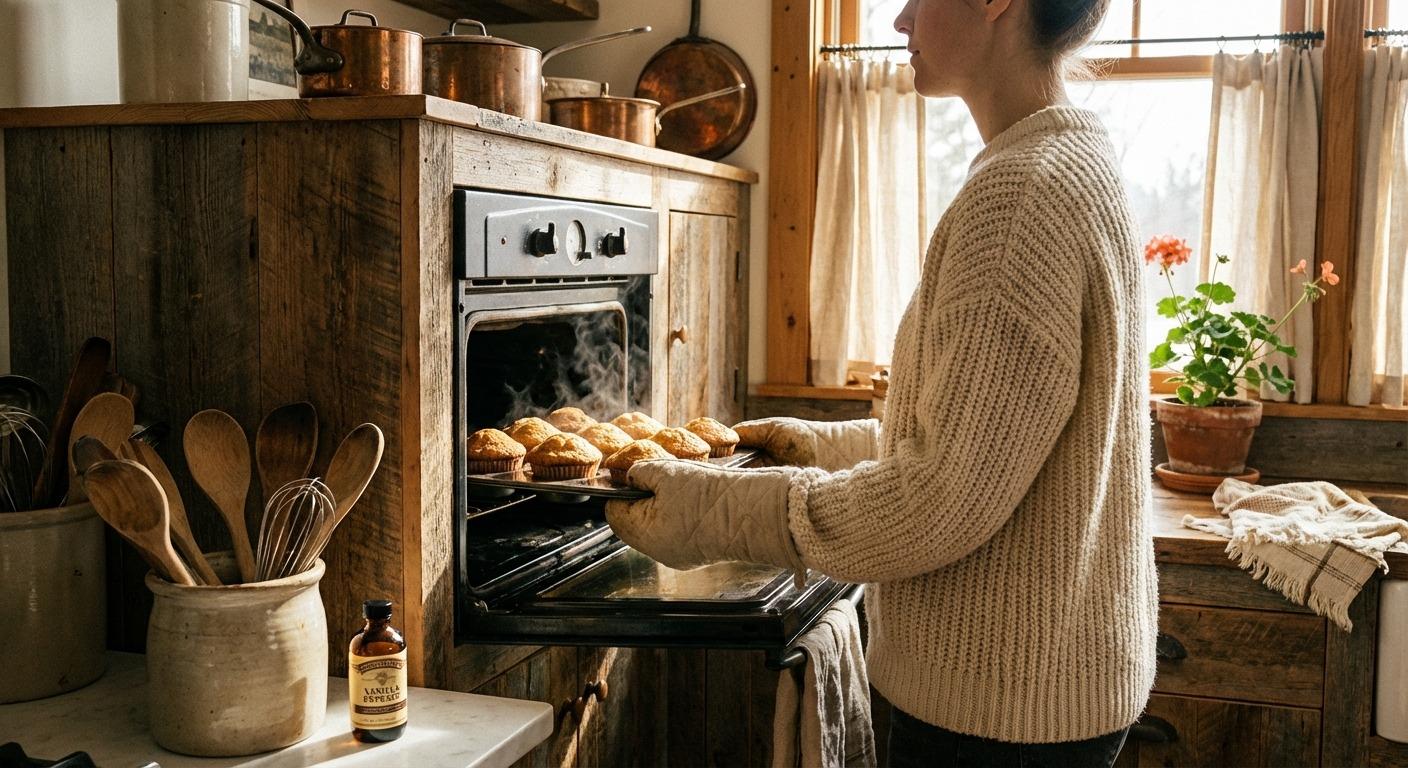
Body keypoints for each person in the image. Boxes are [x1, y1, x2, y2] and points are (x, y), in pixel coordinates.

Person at [604, 0, 1156, 765]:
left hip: (1001, 712)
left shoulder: (1021, 196)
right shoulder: (1070, 166)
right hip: (1048, 689)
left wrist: (715, 512)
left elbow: (937, 501)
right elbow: (985, 439)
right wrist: (814, 446)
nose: (899, 20)